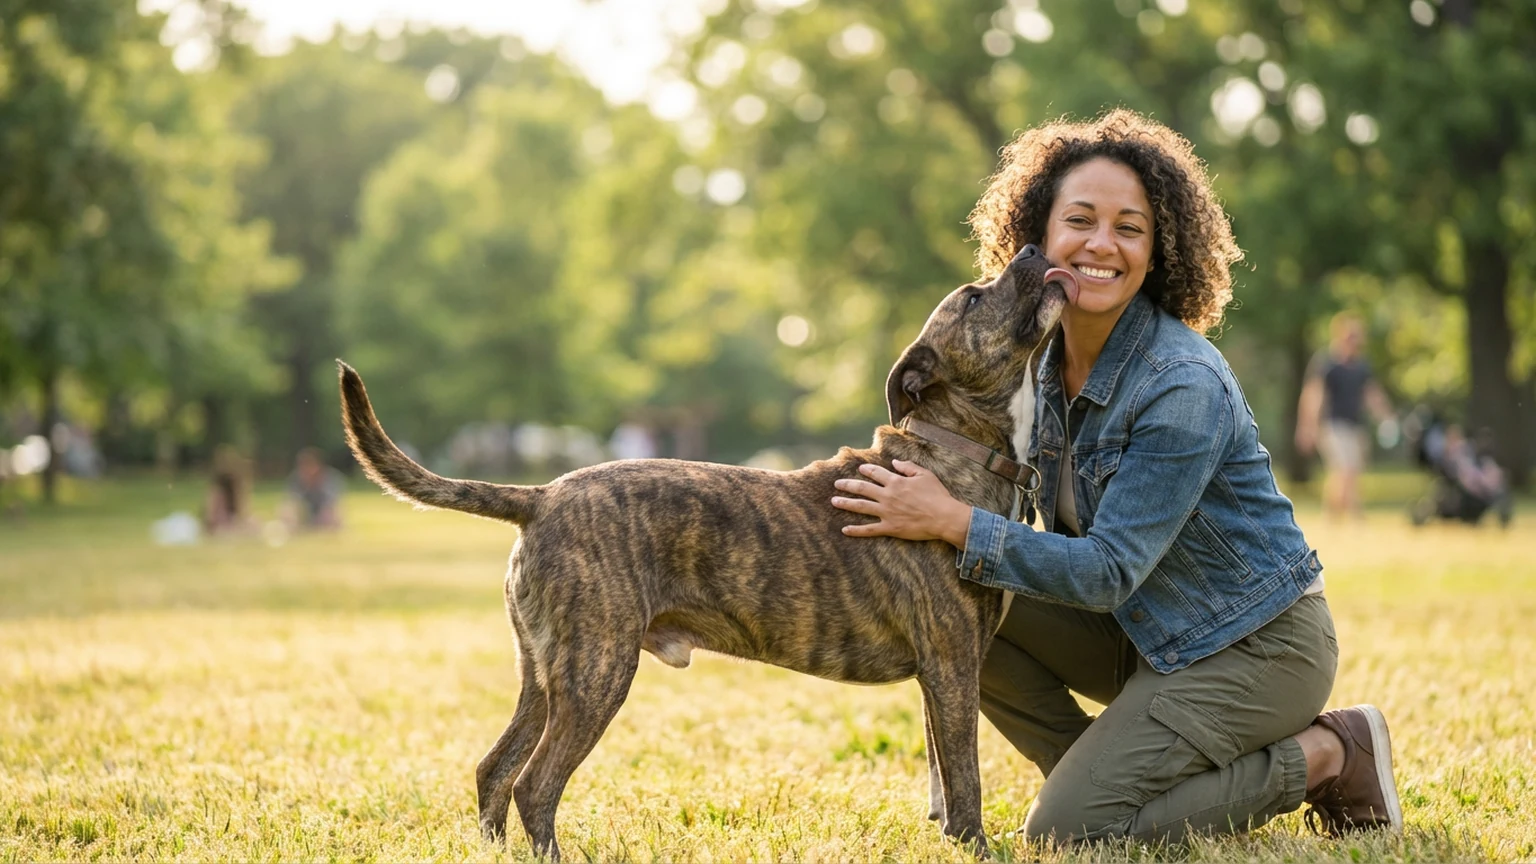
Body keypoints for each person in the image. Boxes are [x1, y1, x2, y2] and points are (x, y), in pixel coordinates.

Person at [829, 111, 1401, 844]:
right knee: (961, 602)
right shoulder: (1034, 358)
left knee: (1063, 837)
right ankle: (1104, 788)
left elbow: (1106, 572)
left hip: (1256, 647)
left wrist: (952, 518)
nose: (1102, 245)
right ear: (1038, 234)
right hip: (1142, 633)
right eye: (1081, 221)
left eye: (1129, 228)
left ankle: (1329, 753)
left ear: (1158, 251)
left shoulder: (1180, 382)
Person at [1295, 312, 1394, 519]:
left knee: (1346, 472)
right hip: (1333, 425)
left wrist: (1386, 417)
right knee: (1346, 468)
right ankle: (1357, 517)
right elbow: (1313, 395)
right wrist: (1306, 427)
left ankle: (1330, 516)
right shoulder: (1327, 364)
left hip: (1356, 425)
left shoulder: (1362, 366)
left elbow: (1371, 394)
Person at [282, 447, 345, 531]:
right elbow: (292, 501)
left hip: (324, 512)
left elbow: (332, 503)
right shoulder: (296, 479)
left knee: (330, 514)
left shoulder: (331, 479)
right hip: (305, 513)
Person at [203, 445, 255, 536]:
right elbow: (210, 519)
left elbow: (243, 515)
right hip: (220, 528)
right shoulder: (217, 492)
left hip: (231, 526)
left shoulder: (237, 491)